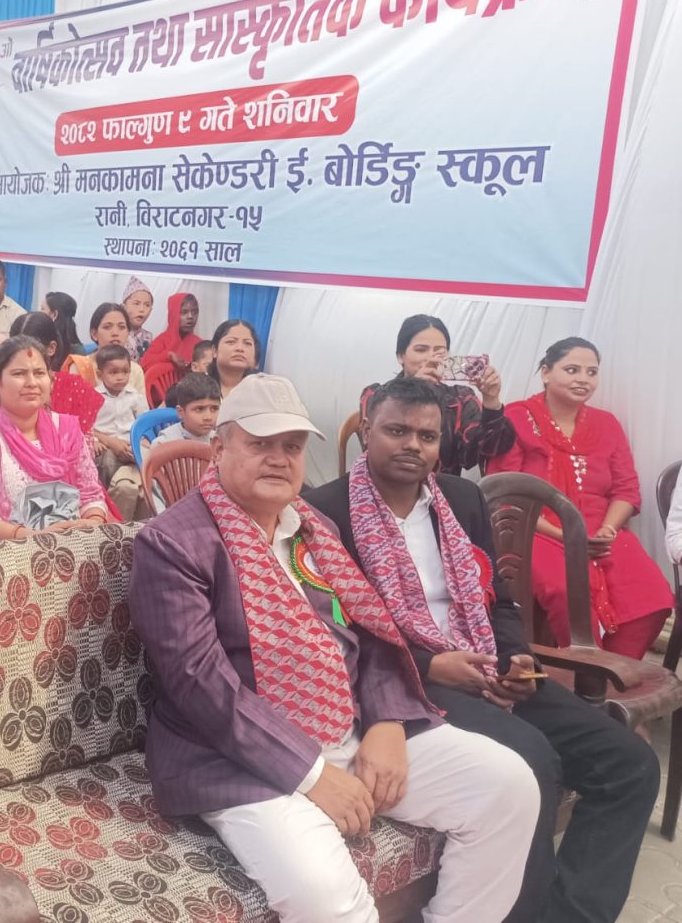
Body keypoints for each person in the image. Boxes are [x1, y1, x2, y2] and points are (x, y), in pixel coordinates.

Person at [129, 372, 540, 923]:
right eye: (260, 443)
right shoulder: (174, 543)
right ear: (219, 449)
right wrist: (314, 774)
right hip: (238, 755)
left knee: (507, 786)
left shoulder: (313, 527)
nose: (279, 459)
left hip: (350, 725)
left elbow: (369, 631)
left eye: (292, 446)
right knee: (325, 895)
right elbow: (199, 685)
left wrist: (388, 721)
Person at [304, 376, 659, 923]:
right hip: (408, 682)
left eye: (427, 436)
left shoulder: (460, 498)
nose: (413, 445)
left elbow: (501, 601)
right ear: (367, 431)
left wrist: (519, 660)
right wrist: (432, 666)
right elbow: (340, 633)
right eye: (397, 431)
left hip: (488, 664)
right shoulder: (324, 511)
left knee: (630, 765)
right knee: (530, 760)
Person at [490, 338, 672, 658]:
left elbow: (626, 490)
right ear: (546, 373)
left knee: (653, 596)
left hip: (600, 532)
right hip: (535, 531)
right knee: (567, 592)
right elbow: (506, 495)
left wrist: (608, 530)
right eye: (572, 370)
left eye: (591, 372)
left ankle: (611, 670)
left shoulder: (607, 424)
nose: (583, 379)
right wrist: (567, 536)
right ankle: (582, 673)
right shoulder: (518, 417)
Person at [0, 336, 110, 543]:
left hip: (73, 544)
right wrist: (35, 539)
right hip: (8, 550)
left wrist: (92, 523)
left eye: (39, 373)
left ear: (50, 381)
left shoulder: (67, 431)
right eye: (19, 373)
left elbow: (91, 494)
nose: (32, 383)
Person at [359, 314, 514, 476]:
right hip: (388, 482)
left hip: (442, 487)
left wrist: (491, 401)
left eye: (440, 352)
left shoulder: (461, 399)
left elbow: (477, 455)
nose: (431, 358)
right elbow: (372, 449)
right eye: (421, 350)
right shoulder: (375, 395)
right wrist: (414, 389)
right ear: (400, 356)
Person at [9, 311, 103, 434]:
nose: (23, 357)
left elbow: (85, 439)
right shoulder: (7, 385)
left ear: (51, 348)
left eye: (31, 351)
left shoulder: (75, 389)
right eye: (16, 351)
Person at [91, 344, 147, 521]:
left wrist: (141, 441)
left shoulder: (134, 396)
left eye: (125, 372)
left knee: (147, 455)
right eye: (113, 372)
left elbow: (144, 422)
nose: (120, 377)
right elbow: (87, 426)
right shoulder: (93, 397)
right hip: (107, 446)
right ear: (100, 374)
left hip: (130, 443)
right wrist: (95, 440)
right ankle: (107, 498)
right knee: (107, 461)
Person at [66, 302, 146, 396]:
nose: (115, 333)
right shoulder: (80, 367)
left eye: (121, 327)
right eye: (107, 327)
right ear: (94, 334)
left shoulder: (135, 370)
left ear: (128, 333)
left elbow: (141, 405)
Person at [149, 370, 222, 451]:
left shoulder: (221, 442)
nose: (208, 417)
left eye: (214, 409)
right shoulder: (163, 444)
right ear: (181, 412)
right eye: (199, 409)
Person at [139, 292, 201, 373]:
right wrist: (169, 356)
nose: (190, 316)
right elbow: (143, 365)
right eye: (184, 312)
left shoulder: (199, 344)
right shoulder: (163, 340)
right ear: (173, 314)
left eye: (194, 312)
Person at [208, 318, 262, 396]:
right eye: (231, 342)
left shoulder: (266, 391)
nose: (240, 348)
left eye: (247, 343)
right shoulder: (198, 388)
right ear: (214, 350)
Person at [120, 275, 155, 359]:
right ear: (123, 307)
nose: (141, 309)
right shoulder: (117, 335)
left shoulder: (149, 337)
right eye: (136, 303)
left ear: (150, 311)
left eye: (147, 305)